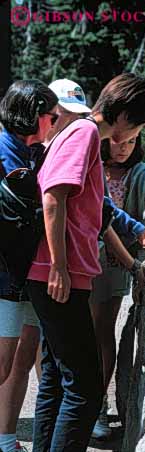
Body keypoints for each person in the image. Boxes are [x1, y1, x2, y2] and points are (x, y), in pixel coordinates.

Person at [26, 73, 145, 452]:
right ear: (122, 114)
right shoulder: (85, 134)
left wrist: (135, 248)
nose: (136, 132)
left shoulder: (80, 134)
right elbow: (54, 198)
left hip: (56, 273)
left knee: (57, 379)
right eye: (137, 123)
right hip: (58, 276)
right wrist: (59, 266)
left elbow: (96, 212)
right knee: (85, 390)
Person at [90, 133, 145, 438]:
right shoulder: (90, 163)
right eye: (118, 141)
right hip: (79, 257)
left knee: (100, 333)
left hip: (111, 265)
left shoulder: (139, 173)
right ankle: (78, 407)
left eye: (131, 142)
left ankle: (96, 409)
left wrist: (129, 239)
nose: (124, 148)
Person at [0, 80, 58, 452]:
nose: (54, 124)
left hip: (18, 275)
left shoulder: (28, 151)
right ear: (33, 116)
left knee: (13, 361)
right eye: (51, 116)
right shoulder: (8, 155)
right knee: (3, 362)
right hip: (5, 276)